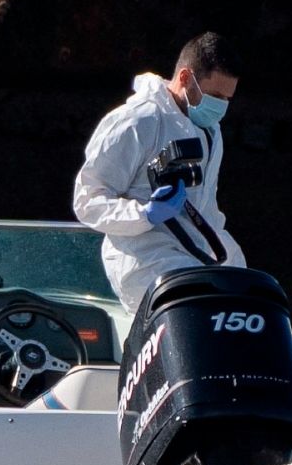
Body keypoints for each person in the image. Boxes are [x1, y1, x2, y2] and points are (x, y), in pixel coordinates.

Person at [73, 32, 245, 314]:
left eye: (227, 98)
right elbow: (87, 201)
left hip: (201, 254)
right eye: (215, 96)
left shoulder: (210, 129)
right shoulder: (136, 121)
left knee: (252, 295)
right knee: (199, 309)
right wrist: (145, 213)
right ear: (186, 78)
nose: (221, 107)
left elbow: (207, 208)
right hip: (146, 260)